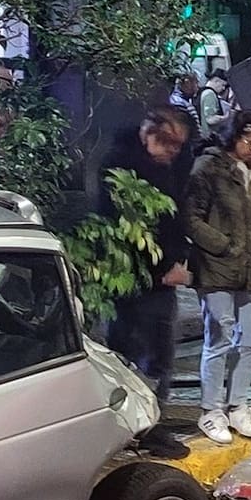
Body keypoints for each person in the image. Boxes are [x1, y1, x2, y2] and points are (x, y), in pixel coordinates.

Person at [101, 106, 192, 460]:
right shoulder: (122, 165)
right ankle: (141, 428)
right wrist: (161, 269)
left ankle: (151, 422)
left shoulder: (168, 166)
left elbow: (175, 215)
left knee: (159, 353)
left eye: (179, 146)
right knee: (138, 354)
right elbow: (122, 227)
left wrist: (179, 259)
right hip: (136, 278)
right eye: (168, 142)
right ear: (148, 132)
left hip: (162, 275)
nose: (173, 151)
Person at [185, 110, 251, 444]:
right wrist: (225, 246)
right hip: (217, 268)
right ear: (234, 138)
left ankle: (238, 406)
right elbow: (191, 218)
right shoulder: (207, 169)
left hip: (250, 267)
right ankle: (211, 410)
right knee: (219, 337)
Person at [199, 71, 232, 135]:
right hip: (209, 135)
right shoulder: (210, 94)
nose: (223, 88)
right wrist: (226, 117)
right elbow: (210, 119)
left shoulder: (202, 92)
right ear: (217, 81)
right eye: (223, 85)